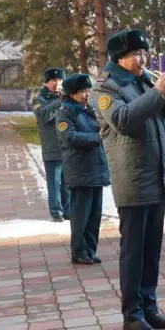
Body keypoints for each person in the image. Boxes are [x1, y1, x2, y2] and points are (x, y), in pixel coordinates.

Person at [93, 29, 165, 330]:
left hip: (155, 175)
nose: (143, 59)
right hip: (132, 178)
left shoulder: (143, 82)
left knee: (152, 250)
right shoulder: (107, 87)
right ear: (120, 57)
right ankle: (132, 314)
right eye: (136, 54)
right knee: (133, 251)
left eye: (145, 53)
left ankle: (149, 307)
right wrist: (157, 93)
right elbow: (125, 121)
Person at [56, 73, 108, 265]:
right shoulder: (64, 112)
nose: (87, 95)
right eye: (82, 92)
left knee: (95, 214)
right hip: (80, 170)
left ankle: (90, 250)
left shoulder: (89, 109)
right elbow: (69, 137)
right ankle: (78, 251)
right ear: (71, 94)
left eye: (88, 90)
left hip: (96, 168)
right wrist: (98, 138)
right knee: (81, 215)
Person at [33, 67, 70, 221]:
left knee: (67, 181)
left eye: (60, 80)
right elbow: (42, 116)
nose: (57, 83)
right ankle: (56, 212)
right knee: (54, 182)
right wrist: (59, 101)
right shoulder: (39, 99)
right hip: (51, 147)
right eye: (54, 80)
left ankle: (67, 210)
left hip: (67, 145)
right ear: (46, 82)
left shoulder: (66, 98)